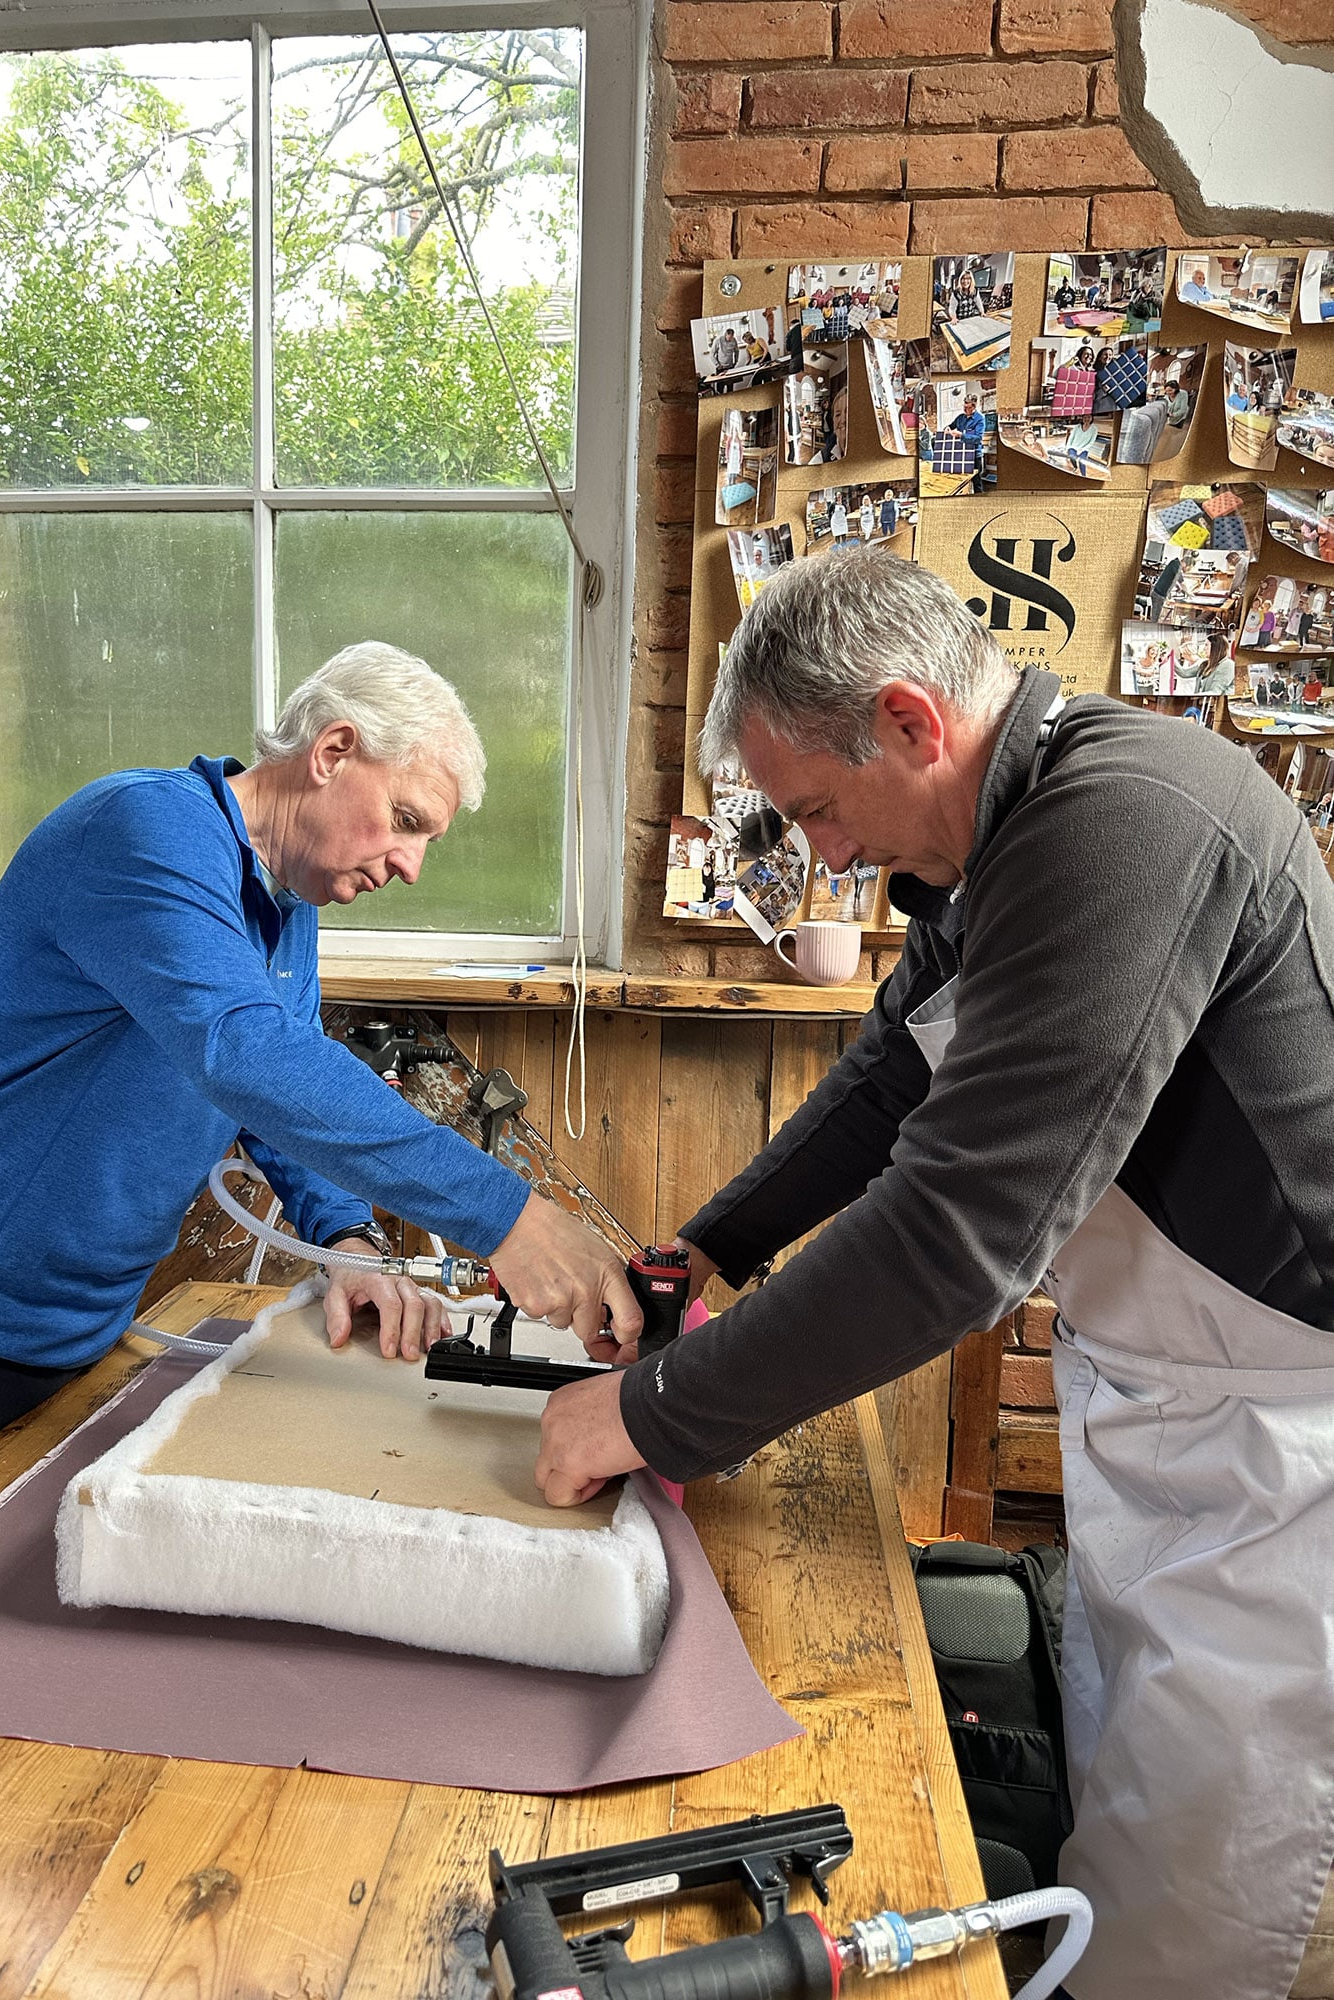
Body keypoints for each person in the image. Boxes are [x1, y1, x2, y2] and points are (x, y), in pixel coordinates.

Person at [533, 548, 1334, 2000]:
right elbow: (896, 1072)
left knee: (1208, 1841)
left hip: (1286, 1426)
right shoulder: (1000, 840)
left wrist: (649, 1418)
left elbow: (955, 1236)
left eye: (819, 811)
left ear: (909, 721)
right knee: (1117, 1743)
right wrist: (710, 1245)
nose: (826, 855)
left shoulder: (1127, 820)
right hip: (1164, 1387)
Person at [0, 643, 639, 1561]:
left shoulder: (286, 902)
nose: (411, 864)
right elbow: (246, 1057)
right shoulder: (141, 833)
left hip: (64, 1338)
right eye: (405, 820)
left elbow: (279, 1088)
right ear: (332, 751)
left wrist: (347, 1242)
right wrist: (510, 1217)